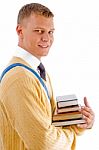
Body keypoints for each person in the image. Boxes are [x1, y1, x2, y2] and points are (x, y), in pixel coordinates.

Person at [0, 3, 95, 150]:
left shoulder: (37, 71)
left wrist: (78, 123)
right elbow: (44, 144)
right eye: (39, 31)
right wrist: (71, 134)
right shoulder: (19, 78)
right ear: (20, 31)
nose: (47, 38)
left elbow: (47, 125)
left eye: (50, 32)